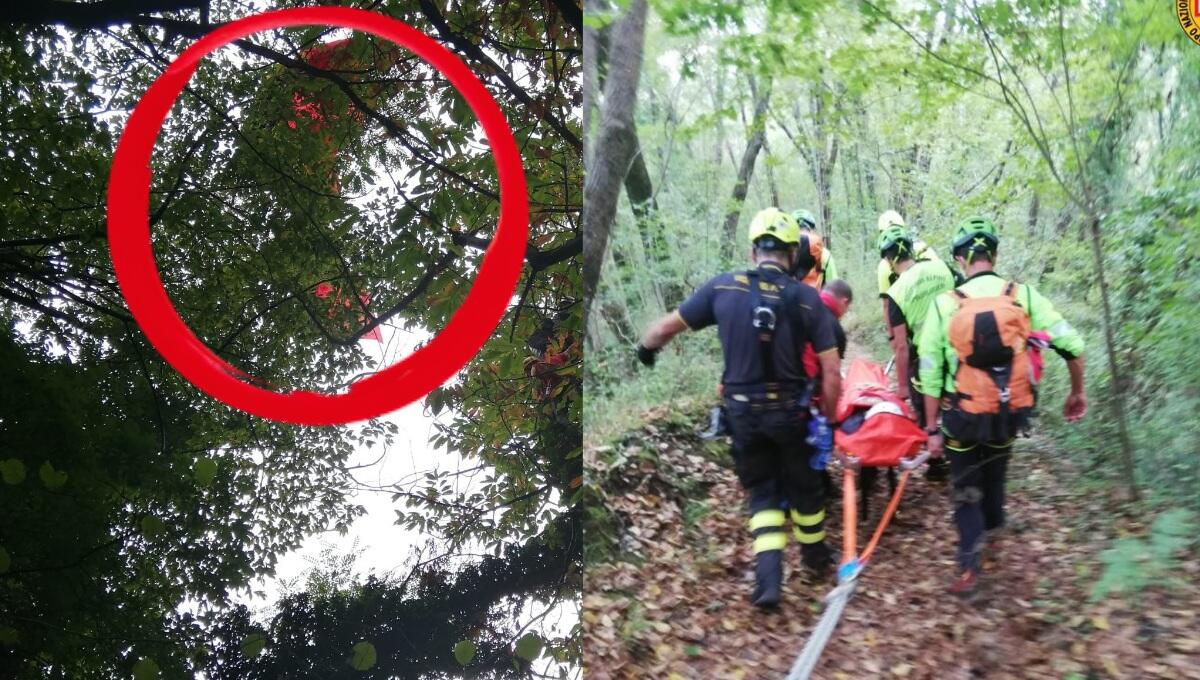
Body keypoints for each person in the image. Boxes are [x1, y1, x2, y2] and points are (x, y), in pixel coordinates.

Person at [636, 207, 843, 608]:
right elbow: (831, 372)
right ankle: (815, 559)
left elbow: (663, 329)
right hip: (790, 414)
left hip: (743, 415)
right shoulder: (807, 299)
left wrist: (644, 350)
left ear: (753, 253)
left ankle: (768, 583)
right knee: (806, 488)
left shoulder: (723, 289)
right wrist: (831, 419)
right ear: (792, 254)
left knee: (763, 493)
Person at [917, 216, 1087, 597]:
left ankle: (969, 567)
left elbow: (929, 369)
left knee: (965, 484)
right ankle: (992, 534)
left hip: (960, 415)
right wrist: (1077, 392)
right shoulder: (1022, 296)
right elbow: (1072, 345)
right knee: (994, 472)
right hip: (1009, 411)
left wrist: (930, 429)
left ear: (961, 260)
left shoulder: (945, 303)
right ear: (992, 256)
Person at [878, 225, 957, 481]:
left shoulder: (896, 292)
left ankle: (936, 463)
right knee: (956, 403)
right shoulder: (942, 267)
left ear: (890, 261)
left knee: (926, 409)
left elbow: (901, 346)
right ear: (911, 250)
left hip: (925, 359)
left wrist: (902, 386)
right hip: (956, 350)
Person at [875, 210, 953, 332]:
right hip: (943, 315)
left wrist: (892, 337)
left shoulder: (884, 265)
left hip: (912, 323)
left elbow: (886, 306)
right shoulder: (924, 247)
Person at [791, 209, 837, 288]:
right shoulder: (824, 253)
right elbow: (834, 287)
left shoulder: (784, 253)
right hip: (816, 299)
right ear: (812, 229)